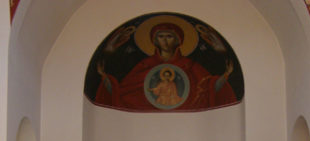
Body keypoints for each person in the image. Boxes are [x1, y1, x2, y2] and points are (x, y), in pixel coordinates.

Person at [95, 21, 236, 111]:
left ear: (178, 40)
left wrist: (225, 70)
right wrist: (105, 72)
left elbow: (209, 88)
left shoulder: (190, 65)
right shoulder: (145, 65)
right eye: (161, 37)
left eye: (169, 36)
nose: (165, 41)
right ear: (155, 40)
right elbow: (122, 93)